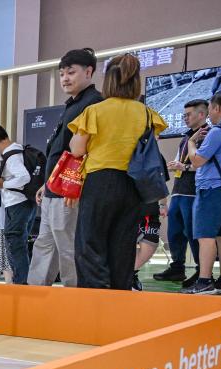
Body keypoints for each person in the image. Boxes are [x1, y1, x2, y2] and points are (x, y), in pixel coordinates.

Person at [68, 53, 166, 290]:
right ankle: (118, 296)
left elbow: (77, 149)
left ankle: (95, 300)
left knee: (90, 244)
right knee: (123, 246)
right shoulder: (146, 113)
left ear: (108, 81)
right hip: (133, 186)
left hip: (100, 182)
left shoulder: (95, 111)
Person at [28, 48, 103, 288]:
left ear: (89, 72)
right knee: (44, 243)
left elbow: (88, 151)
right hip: (54, 188)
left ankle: (76, 295)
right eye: (61, 74)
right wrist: (47, 183)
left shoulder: (94, 103)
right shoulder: (72, 105)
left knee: (68, 246)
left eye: (71, 72)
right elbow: (59, 151)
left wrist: (75, 186)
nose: (65, 79)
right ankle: (36, 294)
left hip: (70, 191)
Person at [183, 91, 221, 295]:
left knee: (205, 235)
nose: (209, 114)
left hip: (211, 189)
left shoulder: (217, 132)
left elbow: (197, 161)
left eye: (209, 110)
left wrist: (192, 142)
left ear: (217, 108)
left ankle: (204, 281)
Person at [156, 99, 208, 287]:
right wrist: (176, 165)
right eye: (184, 115)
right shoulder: (187, 137)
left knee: (193, 232)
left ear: (201, 114)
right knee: (175, 231)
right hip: (179, 190)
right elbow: (183, 162)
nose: (185, 118)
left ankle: (202, 271)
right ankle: (177, 267)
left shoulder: (207, 134)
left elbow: (204, 163)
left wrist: (184, 166)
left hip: (193, 192)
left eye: (188, 115)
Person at [0, 125, 33, 284]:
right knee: (16, 242)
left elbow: (24, 177)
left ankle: (21, 283)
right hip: (21, 203)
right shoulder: (18, 150)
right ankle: (20, 280)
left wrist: (3, 184)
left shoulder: (11, 155)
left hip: (17, 203)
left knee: (15, 243)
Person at [131, 202, 162, 290]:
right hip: (122, 207)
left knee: (150, 244)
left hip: (148, 208)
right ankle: (125, 274)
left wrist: (163, 204)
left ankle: (130, 274)